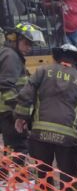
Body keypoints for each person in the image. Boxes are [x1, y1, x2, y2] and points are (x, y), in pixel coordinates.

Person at [14, 43, 77, 191]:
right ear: (76, 62)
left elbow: (26, 95)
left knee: (42, 173)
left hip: (39, 134)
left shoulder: (42, 71)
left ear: (58, 57)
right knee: (69, 175)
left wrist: (21, 117)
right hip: (67, 137)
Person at [0, 23, 45, 154]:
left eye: (32, 45)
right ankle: (20, 174)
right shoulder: (10, 57)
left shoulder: (11, 54)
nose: (29, 48)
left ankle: (9, 173)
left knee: (11, 150)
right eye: (27, 43)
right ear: (16, 39)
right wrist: (19, 113)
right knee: (19, 149)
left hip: (7, 113)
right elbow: (6, 86)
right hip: (9, 114)